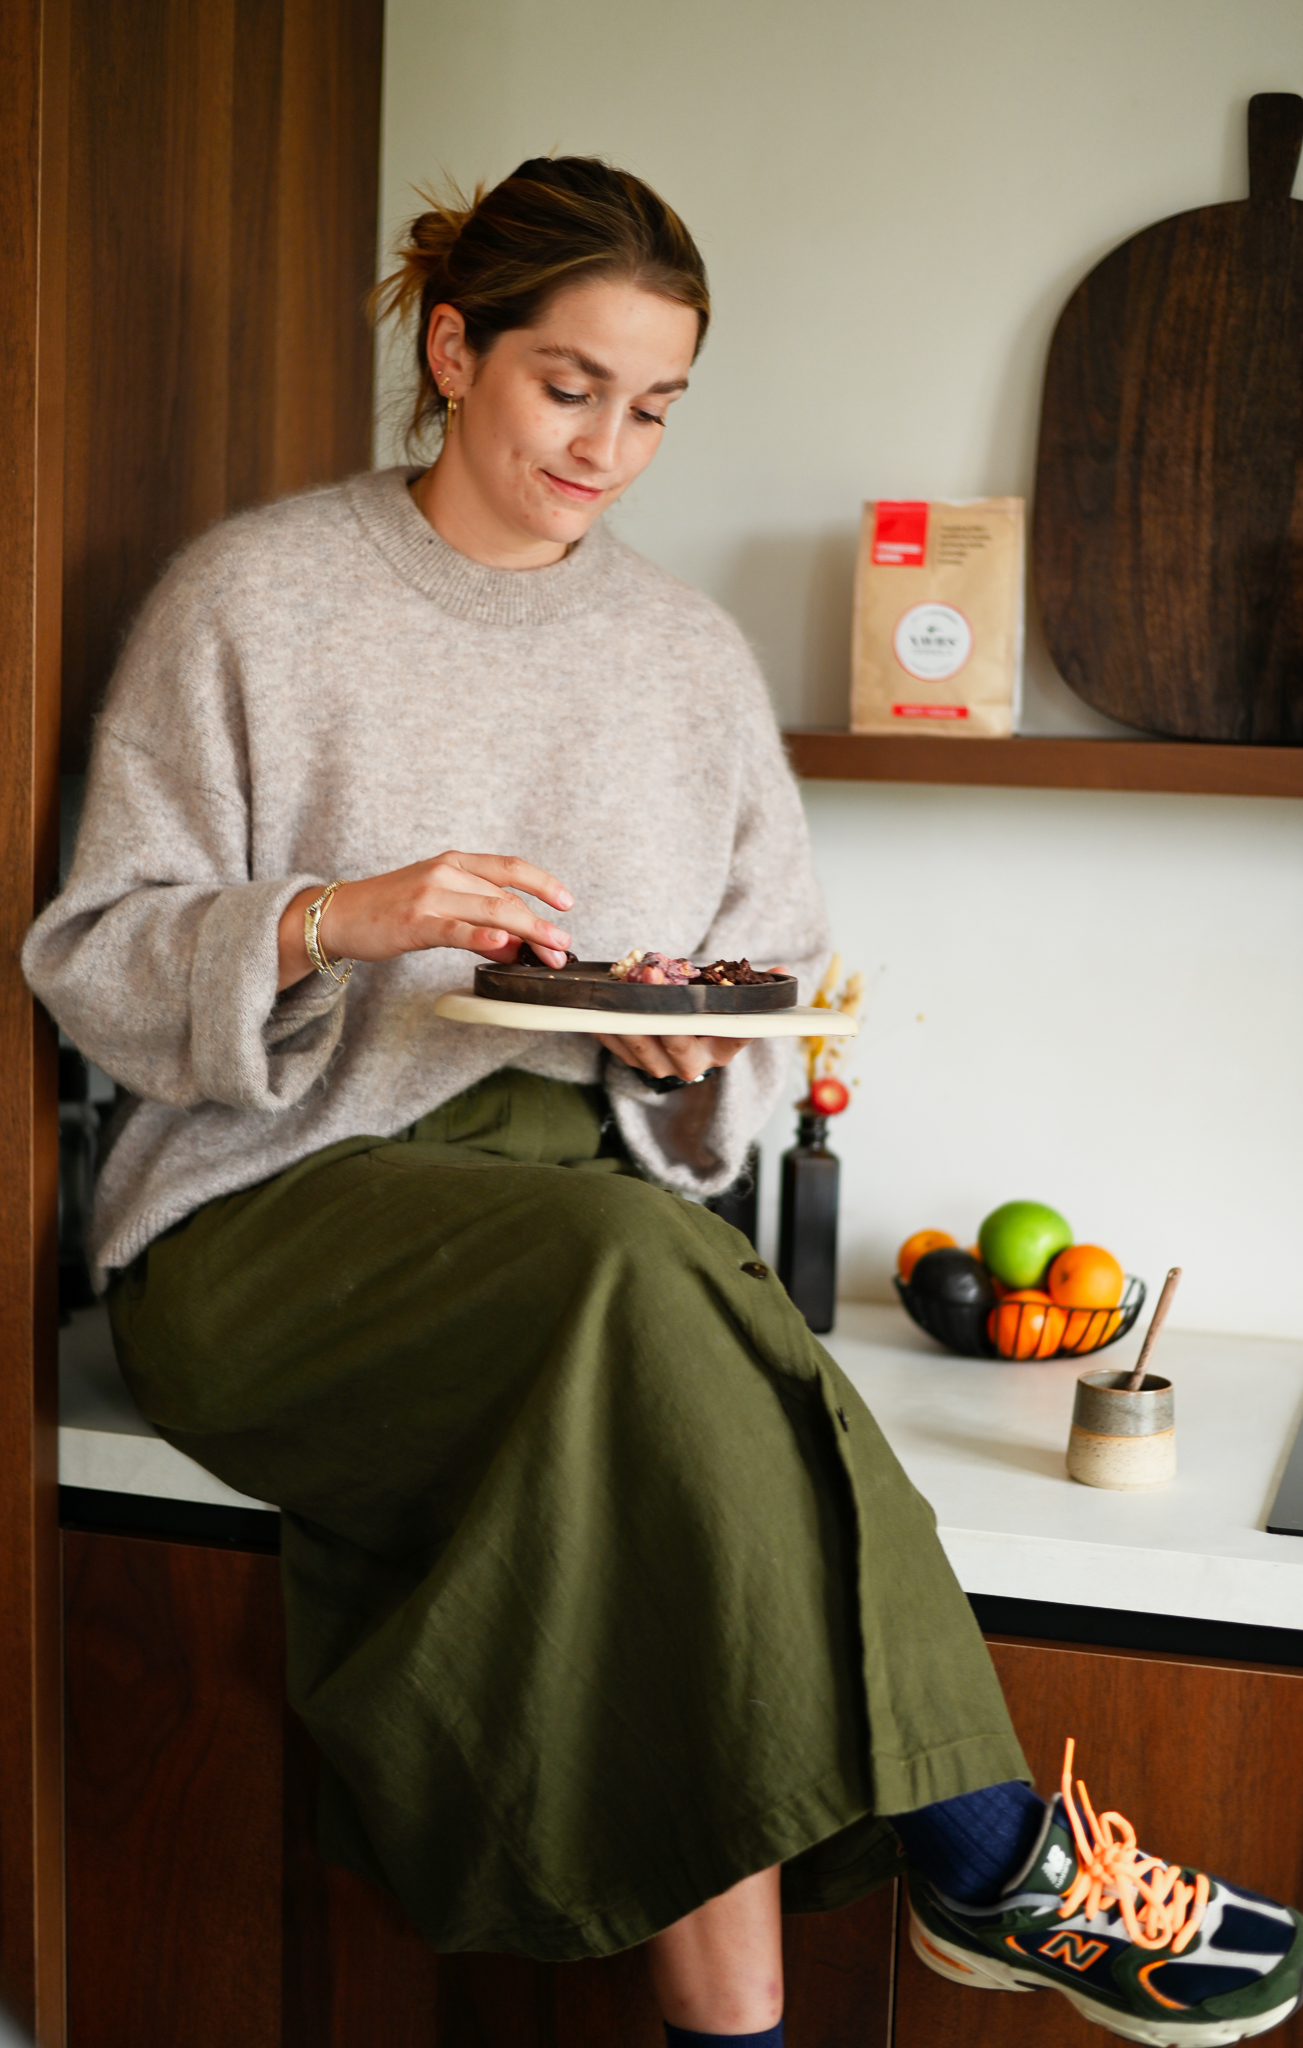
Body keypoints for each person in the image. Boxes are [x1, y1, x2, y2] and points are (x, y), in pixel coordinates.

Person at [24, 156, 1302, 2048]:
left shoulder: (684, 659)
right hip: (263, 1209)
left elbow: (768, 991)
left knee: (670, 1417)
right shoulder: (254, 599)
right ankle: (983, 1841)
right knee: (651, 1283)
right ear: (454, 349)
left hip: (576, 1219)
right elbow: (92, 955)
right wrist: (326, 920)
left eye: (654, 407)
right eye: (568, 385)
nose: (608, 446)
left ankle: (779, 2011)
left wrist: (689, 1056)